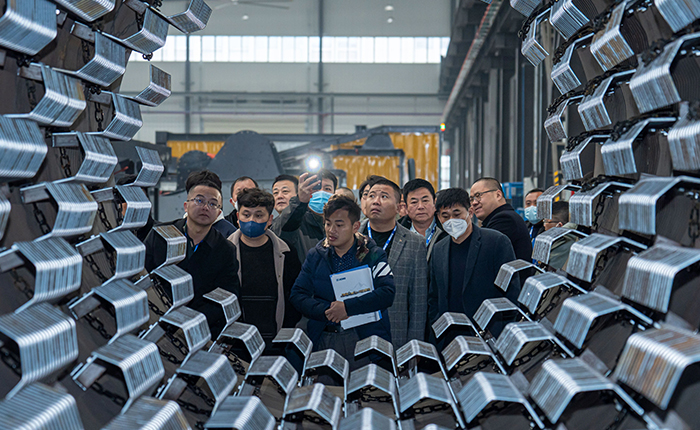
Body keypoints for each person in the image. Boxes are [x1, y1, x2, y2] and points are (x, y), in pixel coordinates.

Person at [289, 195, 395, 369]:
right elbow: (297, 294)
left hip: (363, 338)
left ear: (355, 226)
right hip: (324, 336)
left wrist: (347, 308)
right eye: (328, 224)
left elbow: (387, 293)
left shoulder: (371, 254)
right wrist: (327, 311)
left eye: (339, 225)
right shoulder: (316, 255)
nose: (331, 230)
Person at [144, 170, 240, 337]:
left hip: (199, 330)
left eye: (213, 203)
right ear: (186, 205)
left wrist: (191, 322)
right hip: (154, 321)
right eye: (199, 200)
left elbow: (227, 296)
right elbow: (142, 276)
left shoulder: (225, 250)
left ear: (219, 213)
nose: (205, 207)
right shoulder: (160, 235)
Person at [427, 188, 520, 335]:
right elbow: (434, 296)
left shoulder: (496, 242)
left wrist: (499, 330)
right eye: (445, 216)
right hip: (449, 335)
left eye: (457, 214)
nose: (451, 220)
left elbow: (510, 291)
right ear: (438, 217)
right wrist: (437, 324)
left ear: (470, 212)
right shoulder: (439, 249)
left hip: (487, 333)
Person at [227, 188, 301, 342]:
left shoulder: (286, 252)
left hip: (275, 340)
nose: (251, 220)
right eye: (246, 214)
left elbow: (294, 297)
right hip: (236, 342)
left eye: (259, 215)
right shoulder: (224, 252)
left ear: (269, 220)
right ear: (238, 217)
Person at [362, 178, 427, 347]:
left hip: (395, 332)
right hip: (353, 332)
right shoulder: (350, 236)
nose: (376, 201)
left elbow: (418, 301)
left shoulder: (415, 243)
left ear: (399, 207)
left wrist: (415, 346)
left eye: (384, 196)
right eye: (371, 196)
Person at [271, 169, 337, 262]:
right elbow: (285, 229)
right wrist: (300, 201)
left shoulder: (341, 223)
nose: (321, 192)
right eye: (316, 188)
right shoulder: (295, 222)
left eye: (327, 189)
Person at [470, 177, 532, 261]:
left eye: (478, 196)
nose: (474, 203)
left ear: (498, 195)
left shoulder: (505, 220)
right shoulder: (498, 218)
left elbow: (480, 255)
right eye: (471, 199)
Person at [399, 178, 449, 262]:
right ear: (406, 207)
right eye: (414, 202)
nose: (420, 207)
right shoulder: (397, 231)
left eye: (425, 201)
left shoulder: (447, 230)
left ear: (434, 203)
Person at [116, 174, 155, 242]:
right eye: (127, 199)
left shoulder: (159, 236)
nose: (134, 205)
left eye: (138, 198)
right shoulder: (115, 238)